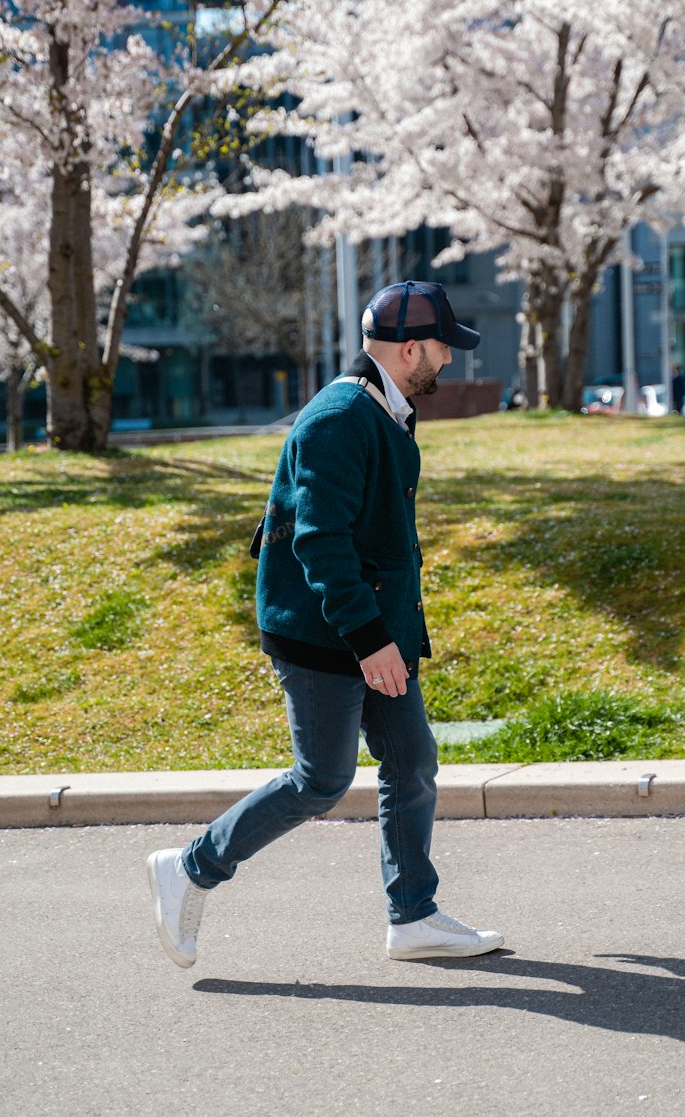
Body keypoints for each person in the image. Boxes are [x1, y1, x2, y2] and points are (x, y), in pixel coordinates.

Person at [147, 280, 505, 966]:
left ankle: (413, 915)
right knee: (320, 777)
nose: (450, 362)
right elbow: (319, 540)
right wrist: (370, 639)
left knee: (409, 758)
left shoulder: (387, 408)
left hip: (372, 622)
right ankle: (190, 866)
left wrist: (388, 632)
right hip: (322, 631)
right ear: (408, 350)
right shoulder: (339, 416)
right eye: (442, 350)